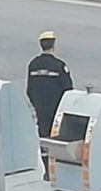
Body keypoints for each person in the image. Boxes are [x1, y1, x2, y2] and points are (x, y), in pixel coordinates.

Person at [27, 31, 73, 180]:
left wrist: (37, 105)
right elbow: (68, 89)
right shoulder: (59, 66)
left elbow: (30, 90)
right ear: (53, 45)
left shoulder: (33, 65)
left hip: (41, 110)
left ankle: (47, 171)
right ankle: (58, 169)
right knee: (58, 140)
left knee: (44, 139)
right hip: (56, 110)